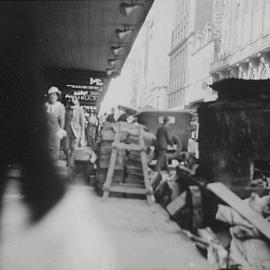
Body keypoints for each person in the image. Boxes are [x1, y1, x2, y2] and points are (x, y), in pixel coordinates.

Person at [45, 86, 66, 162]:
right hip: (46, 128)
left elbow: (62, 119)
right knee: (46, 145)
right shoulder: (45, 105)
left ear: (57, 96)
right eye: (50, 95)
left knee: (55, 146)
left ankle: (53, 161)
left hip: (55, 129)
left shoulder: (60, 106)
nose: (52, 96)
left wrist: (61, 130)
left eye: (54, 94)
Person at [64, 96, 85, 168]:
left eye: (74, 99)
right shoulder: (66, 109)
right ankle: (69, 160)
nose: (72, 101)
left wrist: (82, 135)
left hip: (76, 132)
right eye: (71, 99)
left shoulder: (80, 109)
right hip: (67, 130)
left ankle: (71, 163)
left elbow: (82, 123)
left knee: (73, 148)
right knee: (66, 148)